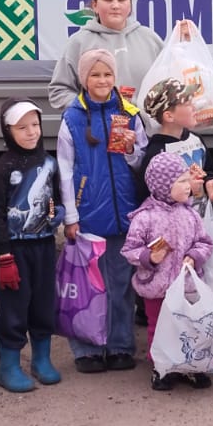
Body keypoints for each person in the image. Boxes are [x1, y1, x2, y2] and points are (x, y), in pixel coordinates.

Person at [56, 47, 149, 373]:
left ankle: (120, 346)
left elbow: (141, 163)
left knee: (121, 285)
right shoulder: (72, 117)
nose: (102, 80)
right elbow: (64, 169)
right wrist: (71, 215)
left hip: (124, 213)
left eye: (107, 74)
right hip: (88, 215)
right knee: (90, 286)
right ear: (84, 79)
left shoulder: (129, 113)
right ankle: (88, 349)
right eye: (95, 75)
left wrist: (132, 149)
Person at [0, 98, 65, 393]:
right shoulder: (2, 169)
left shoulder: (49, 163)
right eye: (22, 127)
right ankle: (8, 367)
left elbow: (54, 197)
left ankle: (41, 359)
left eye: (35, 125)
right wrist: (3, 254)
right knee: (14, 308)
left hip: (44, 246)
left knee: (43, 304)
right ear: (8, 131)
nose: (31, 132)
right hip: (14, 250)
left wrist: (57, 214)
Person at [121, 153, 213, 391]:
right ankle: (162, 367)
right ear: (164, 185)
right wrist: (148, 257)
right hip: (157, 286)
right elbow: (130, 250)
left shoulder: (191, 214)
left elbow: (205, 242)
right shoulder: (145, 218)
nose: (188, 185)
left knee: (190, 325)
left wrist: (194, 256)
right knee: (159, 327)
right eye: (181, 181)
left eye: (187, 179)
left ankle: (190, 366)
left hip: (187, 287)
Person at [47, 0, 166, 109]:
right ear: (95, 5)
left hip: (145, 122)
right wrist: (91, 109)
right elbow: (59, 91)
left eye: (121, 0)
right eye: (108, 0)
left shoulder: (150, 39)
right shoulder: (79, 42)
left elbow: (170, 85)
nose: (115, 5)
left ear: (130, 5)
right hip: (95, 123)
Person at [138, 77, 213, 208]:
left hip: (201, 217)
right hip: (176, 218)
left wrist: (210, 181)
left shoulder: (196, 139)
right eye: (187, 103)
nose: (194, 107)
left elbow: (208, 169)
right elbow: (151, 195)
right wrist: (189, 189)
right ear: (169, 116)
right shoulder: (157, 153)